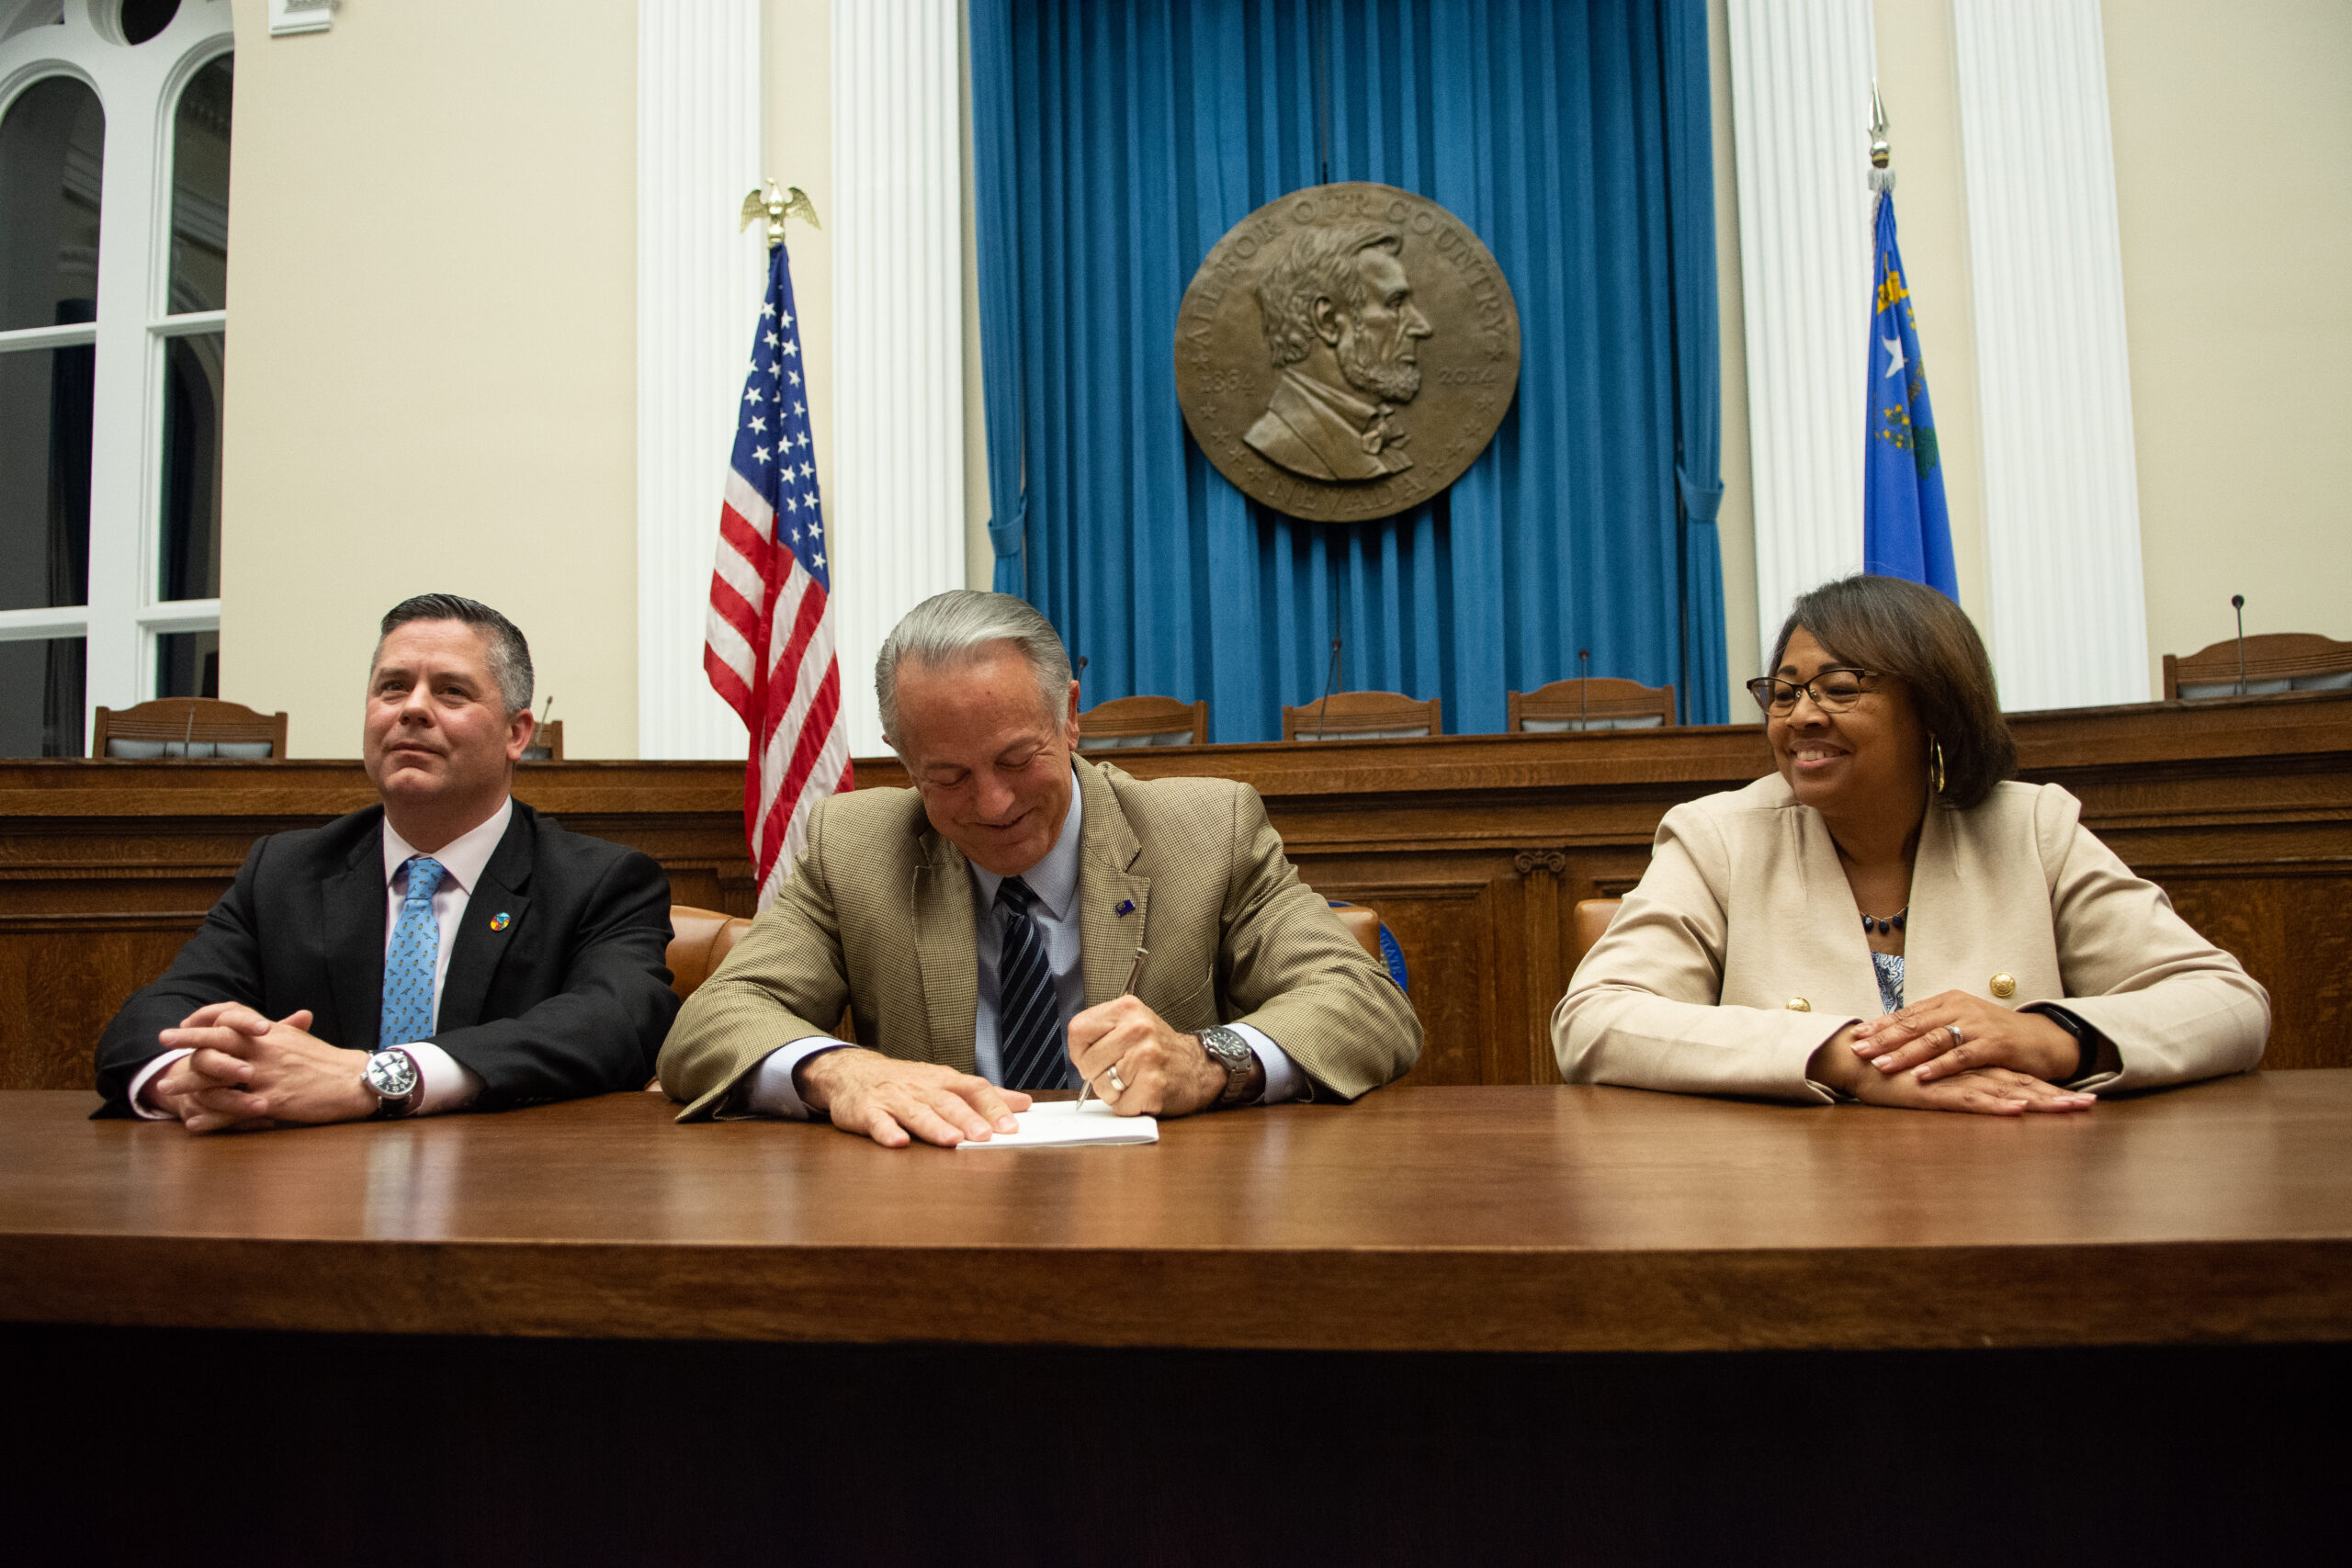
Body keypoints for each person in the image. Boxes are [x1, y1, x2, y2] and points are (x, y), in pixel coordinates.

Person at [659, 590, 1421, 1146]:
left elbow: (1366, 1002)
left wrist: (1207, 1061)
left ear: (1070, 717)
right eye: (948, 777)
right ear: (904, 762)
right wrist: (841, 1073)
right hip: (936, 1228)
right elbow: (711, 1024)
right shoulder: (854, 845)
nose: (992, 804)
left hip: (1171, 1225)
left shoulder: (1207, 830)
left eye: (1019, 758)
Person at [1554, 574, 2268, 1113]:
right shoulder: (1718, 838)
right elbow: (1595, 1021)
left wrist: (2054, 1037)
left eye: (1838, 688)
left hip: (2020, 1198)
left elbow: (2229, 1004)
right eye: (1783, 691)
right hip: (1793, 1207)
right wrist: (1845, 1058)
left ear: (1933, 704)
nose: (1801, 715)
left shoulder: (2033, 829)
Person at [96, 593, 681, 1129]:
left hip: (506, 1197)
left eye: (451, 691)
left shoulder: (601, 880)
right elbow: (152, 1018)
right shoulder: (286, 870)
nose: (413, 709)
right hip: (299, 1201)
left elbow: (617, 1022)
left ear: (517, 733)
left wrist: (377, 1079)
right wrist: (196, 1081)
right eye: (393, 687)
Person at [1244, 223, 1433, 481]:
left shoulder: (1376, 429)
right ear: (1328, 321)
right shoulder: (1278, 441)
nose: (1422, 326)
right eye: (1396, 303)